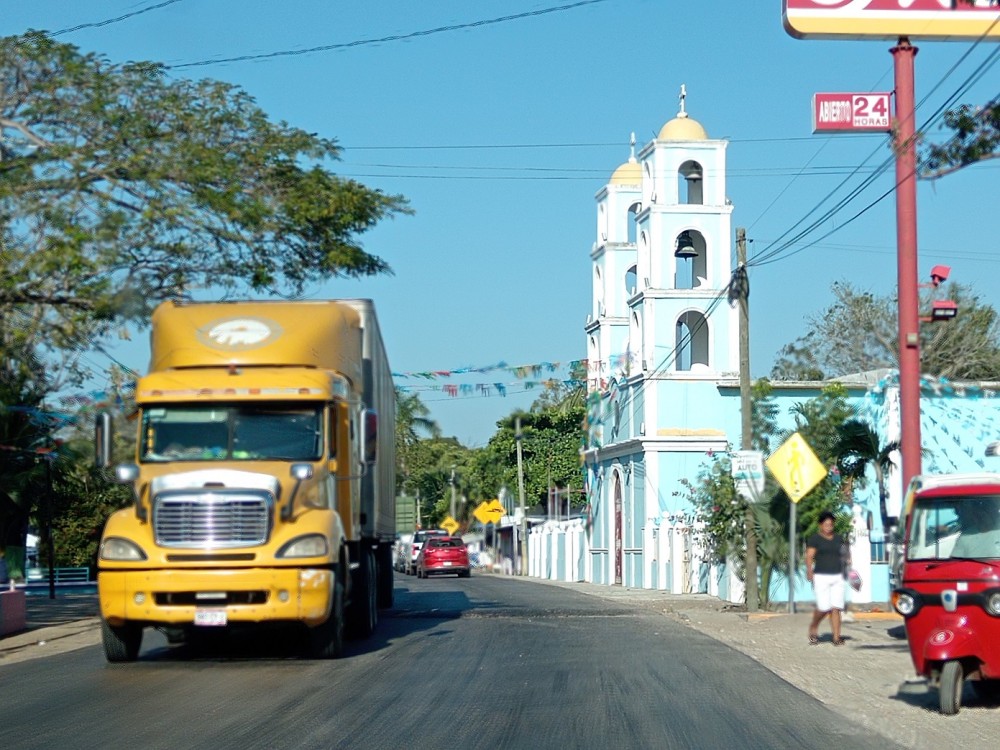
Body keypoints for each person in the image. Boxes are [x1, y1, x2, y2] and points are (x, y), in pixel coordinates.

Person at [805, 510, 850, 646]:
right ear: (820, 525)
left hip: (838, 576)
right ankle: (814, 626)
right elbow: (809, 556)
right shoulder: (815, 539)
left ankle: (836, 637)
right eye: (826, 524)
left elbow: (844, 553)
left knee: (836, 607)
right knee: (823, 607)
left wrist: (848, 560)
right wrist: (809, 570)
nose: (828, 526)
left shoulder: (838, 538)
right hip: (821, 576)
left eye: (830, 524)